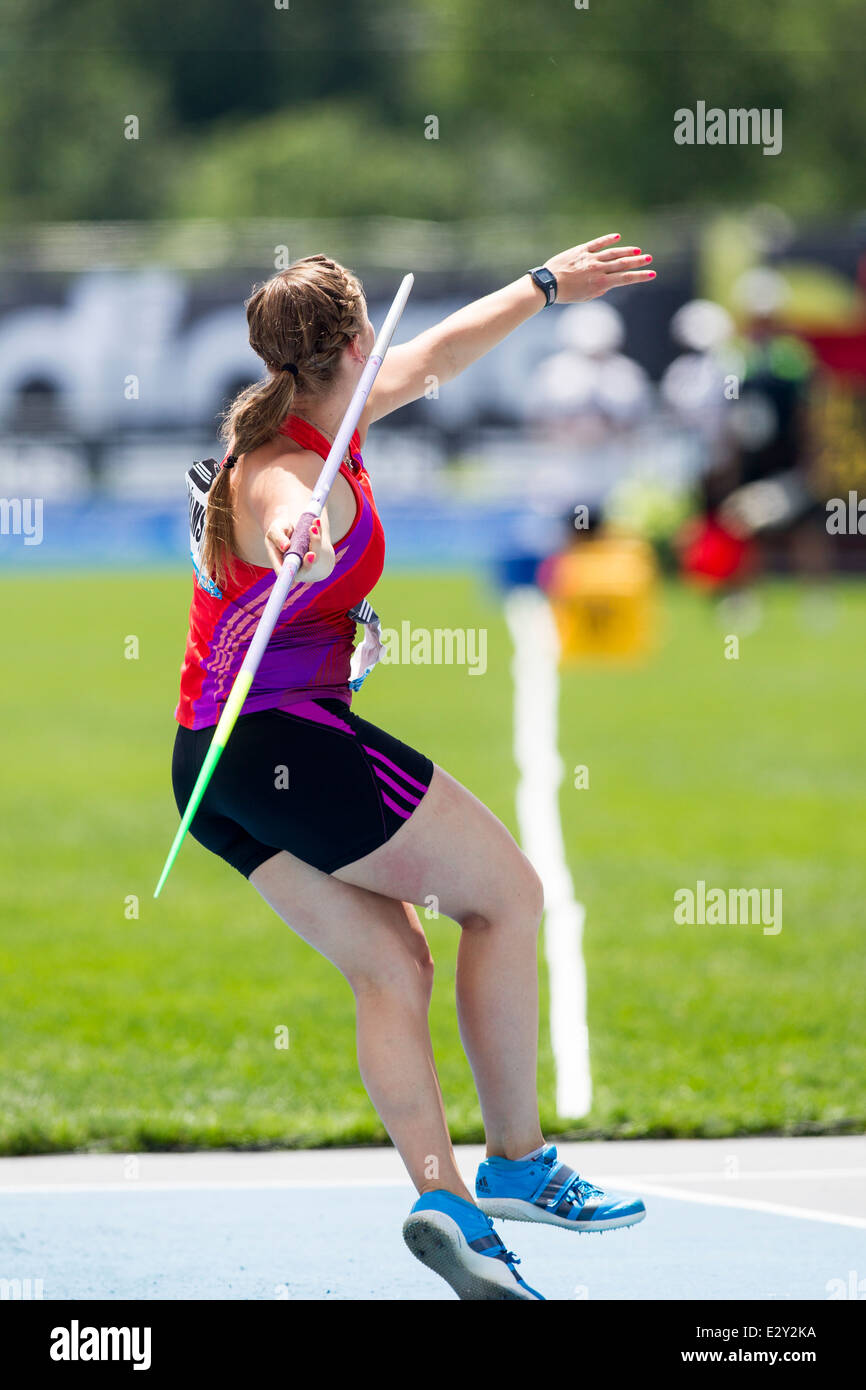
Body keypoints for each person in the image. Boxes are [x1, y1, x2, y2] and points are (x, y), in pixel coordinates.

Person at [172, 240, 655, 1301]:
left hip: (210, 770)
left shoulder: (321, 418)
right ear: (353, 340)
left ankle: (447, 1206)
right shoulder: (285, 467)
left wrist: (540, 288)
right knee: (509, 899)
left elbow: (437, 353)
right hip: (280, 746)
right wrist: (299, 535)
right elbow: (282, 509)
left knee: (393, 969)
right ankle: (519, 1164)